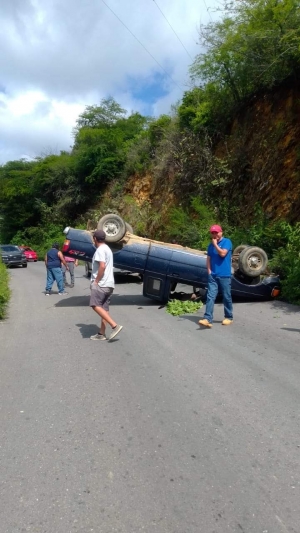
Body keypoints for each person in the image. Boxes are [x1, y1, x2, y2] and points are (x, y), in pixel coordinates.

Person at [89, 229, 123, 341]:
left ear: (95, 239)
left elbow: (102, 266)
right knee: (104, 309)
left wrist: (96, 281)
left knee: (95, 305)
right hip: (109, 284)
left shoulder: (100, 250)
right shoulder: (107, 249)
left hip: (101, 284)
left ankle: (114, 326)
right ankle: (101, 333)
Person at [198, 224, 233, 328]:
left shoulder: (227, 242)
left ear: (221, 232)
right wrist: (209, 271)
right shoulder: (210, 246)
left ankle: (229, 317)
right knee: (210, 296)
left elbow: (223, 254)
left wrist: (215, 245)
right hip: (213, 275)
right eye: (212, 233)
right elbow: (208, 259)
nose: (214, 235)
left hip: (224, 275)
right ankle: (207, 318)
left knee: (226, 296)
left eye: (216, 232)